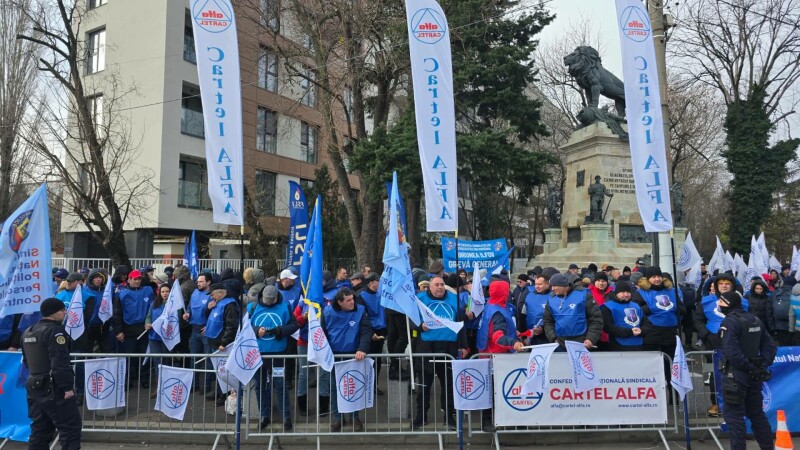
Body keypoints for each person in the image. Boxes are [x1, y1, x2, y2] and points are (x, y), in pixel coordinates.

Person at [717, 290, 776, 450]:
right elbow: (770, 347)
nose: (718, 304)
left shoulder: (730, 322)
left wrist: (753, 368)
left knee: (735, 418)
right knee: (757, 414)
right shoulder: (754, 319)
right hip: (753, 374)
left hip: (736, 375)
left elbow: (732, 353)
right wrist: (761, 367)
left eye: (721, 301)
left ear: (728, 304)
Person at [21, 298, 82, 450]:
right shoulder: (55, 331)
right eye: (62, 310)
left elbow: (27, 362)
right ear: (52, 313)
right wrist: (67, 387)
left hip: (34, 385)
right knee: (70, 428)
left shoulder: (28, 331)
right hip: (53, 386)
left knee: (40, 429)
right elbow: (59, 362)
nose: (65, 312)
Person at [412, 276, 468, 430]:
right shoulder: (419, 299)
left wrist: (464, 345)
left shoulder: (454, 299)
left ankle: (449, 416)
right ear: (430, 287)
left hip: (449, 346)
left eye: (442, 284)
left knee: (448, 385)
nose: (440, 287)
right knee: (424, 385)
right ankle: (421, 416)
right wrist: (420, 327)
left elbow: (460, 324)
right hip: (426, 347)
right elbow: (410, 320)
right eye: (436, 285)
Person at [476, 279, 524, 431]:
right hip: (497, 356)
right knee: (497, 390)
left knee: (490, 389)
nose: (509, 292)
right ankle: (493, 422)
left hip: (487, 352)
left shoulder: (490, 305)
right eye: (507, 290)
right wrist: (513, 343)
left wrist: (513, 332)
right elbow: (497, 336)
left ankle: (491, 421)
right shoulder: (498, 312)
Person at [321, 288, 371, 432]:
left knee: (352, 387)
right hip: (333, 355)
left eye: (352, 299)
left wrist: (362, 348)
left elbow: (366, 331)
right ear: (339, 302)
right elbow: (322, 333)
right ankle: (338, 417)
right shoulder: (327, 312)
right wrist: (324, 352)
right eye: (348, 300)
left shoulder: (360, 310)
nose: (352, 302)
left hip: (353, 355)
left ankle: (354, 417)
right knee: (335, 387)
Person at [250, 285, 298, 431]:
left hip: (278, 354)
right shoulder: (253, 307)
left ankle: (286, 416)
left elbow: (294, 325)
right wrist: (256, 330)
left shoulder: (285, 306)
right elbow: (244, 328)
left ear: (276, 298)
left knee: (280, 385)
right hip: (258, 355)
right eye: (267, 300)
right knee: (260, 386)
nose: (269, 302)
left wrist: (280, 330)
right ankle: (264, 415)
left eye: (272, 300)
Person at [111, 269, 153, 387]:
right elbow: (117, 313)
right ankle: (128, 380)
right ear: (129, 280)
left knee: (144, 356)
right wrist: (118, 331)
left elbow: (153, 307)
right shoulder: (121, 294)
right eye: (135, 279)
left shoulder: (148, 291)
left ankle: (144, 379)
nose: (137, 281)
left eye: (139, 279)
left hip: (144, 328)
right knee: (129, 356)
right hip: (128, 329)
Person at [542, 273, 603, 351]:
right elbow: (548, 321)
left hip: (582, 342)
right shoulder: (551, 299)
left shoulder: (583, 295)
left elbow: (596, 319)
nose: (552, 289)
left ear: (563, 285)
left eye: (554, 286)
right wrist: (553, 338)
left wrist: (591, 338)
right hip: (560, 343)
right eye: (551, 286)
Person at [204, 282, 241, 406]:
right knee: (218, 370)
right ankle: (219, 391)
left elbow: (232, 326)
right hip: (214, 340)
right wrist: (208, 309)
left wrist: (224, 342)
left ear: (220, 293)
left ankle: (224, 394)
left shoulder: (230, 305)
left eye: (212, 294)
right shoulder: (218, 302)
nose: (211, 297)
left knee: (224, 370)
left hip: (221, 343)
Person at [184, 272, 213, 395]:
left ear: (208, 282)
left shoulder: (212, 294)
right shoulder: (195, 293)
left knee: (208, 359)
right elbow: (190, 307)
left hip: (206, 331)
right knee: (193, 359)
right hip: (194, 329)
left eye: (201, 281)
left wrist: (209, 326)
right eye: (198, 281)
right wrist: (187, 314)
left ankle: (206, 386)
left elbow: (215, 313)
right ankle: (193, 385)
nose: (198, 283)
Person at [357, 273, 386, 388]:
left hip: (381, 330)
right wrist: (371, 332)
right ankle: (365, 385)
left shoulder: (382, 295)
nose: (380, 283)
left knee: (377, 360)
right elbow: (363, 317)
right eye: (378, 281)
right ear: (371, 283)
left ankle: (374, 385)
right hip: (369, 331)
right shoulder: (361, 296)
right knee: (368, 359)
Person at [600, 281, 643, 351]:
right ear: (616, 293)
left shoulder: (636, 306)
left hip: (638, 343)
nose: (626, 294)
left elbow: (646, 323)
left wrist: (642, 330)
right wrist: (630, 332)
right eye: (622, 292)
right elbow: (608, 327)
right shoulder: (607, 306)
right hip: (618, 344)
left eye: (628, 292)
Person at [518, 274, 552, 346]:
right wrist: (524, 337)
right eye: (536, 284)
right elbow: (522, 316)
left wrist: (543, 328)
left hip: (548, 336)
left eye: (540, 284)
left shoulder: (553, 296)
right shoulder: (528, 295)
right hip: (531, 337)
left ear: (547, 284)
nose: (537, 286)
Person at [770, 276, 793, 345]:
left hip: (779, 326)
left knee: (782, 346)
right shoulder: (796, 293)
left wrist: (772, 327)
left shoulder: (775, 293)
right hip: (793, 325)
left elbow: (769, 311)